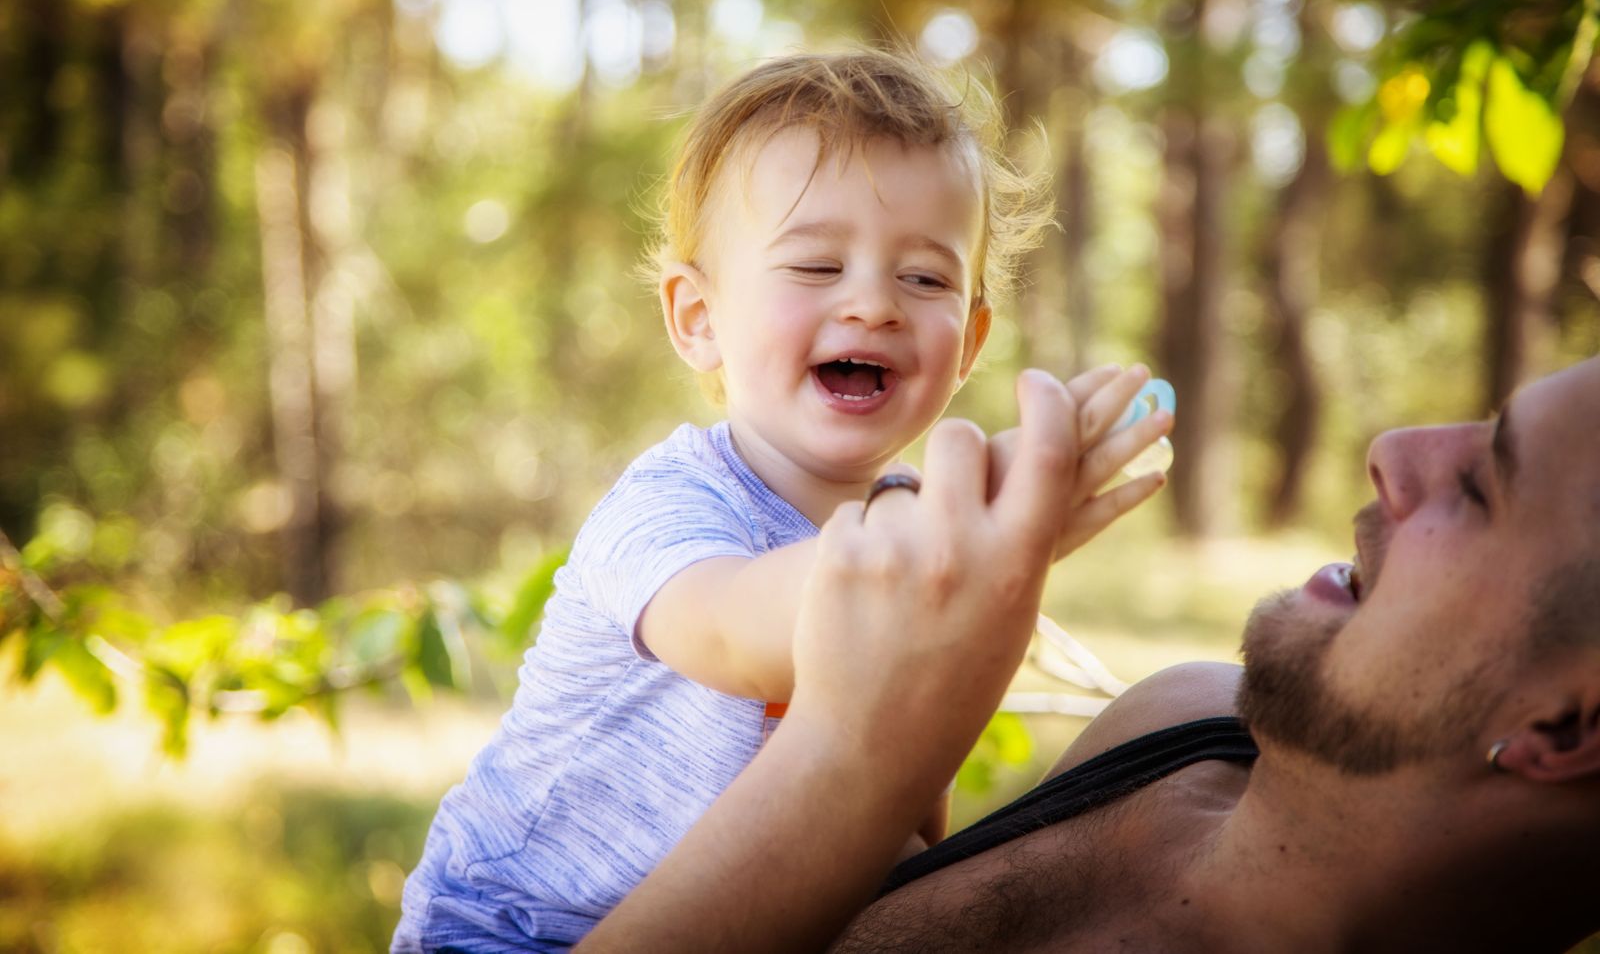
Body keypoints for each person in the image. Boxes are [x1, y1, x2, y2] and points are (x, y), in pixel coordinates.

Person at [393, 49, 1174, 953]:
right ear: (698, 319)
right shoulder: (667, 505)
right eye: (815, 265)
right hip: (505, 929)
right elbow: (736, 634)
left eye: (925, 278)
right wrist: (957, 539)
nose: (874, 304)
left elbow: (894, 815)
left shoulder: (905, 532)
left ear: (969, 343)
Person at [579, 354, 1600, 953]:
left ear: (1568, 725)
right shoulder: (1182, 718)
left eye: (1482, 486)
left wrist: (858, 750)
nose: (1395, 449)